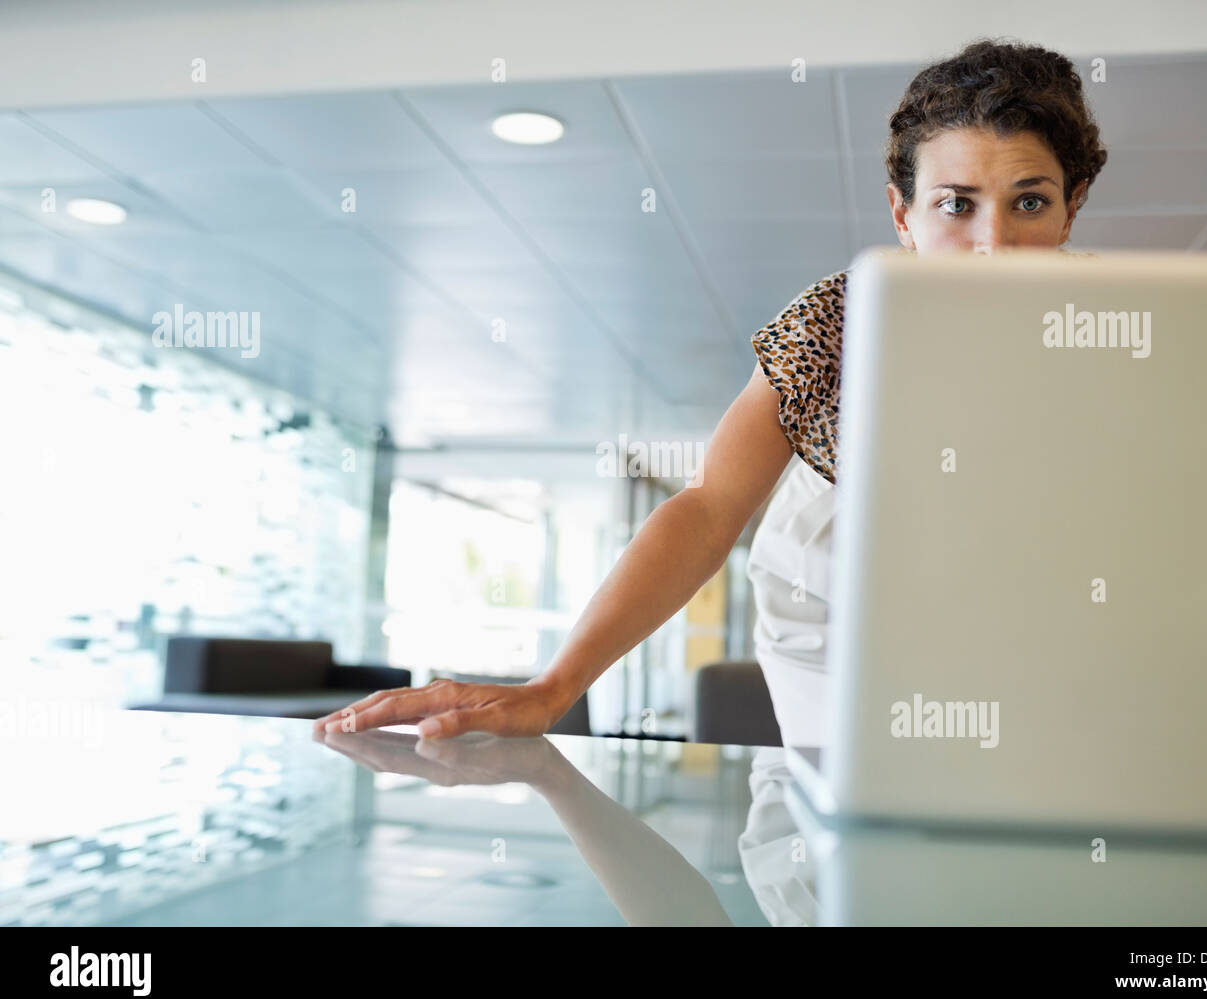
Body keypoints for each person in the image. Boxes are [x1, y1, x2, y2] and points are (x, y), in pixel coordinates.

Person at [315, 37, 1109, 744]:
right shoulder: (836, 325)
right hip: (834, 639)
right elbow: (707, 509)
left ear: (1071, 206)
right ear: (904, 214)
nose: (992, 245)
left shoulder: (1135, 332)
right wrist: (554, 689)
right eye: (955, 205)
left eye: (1029, 202)